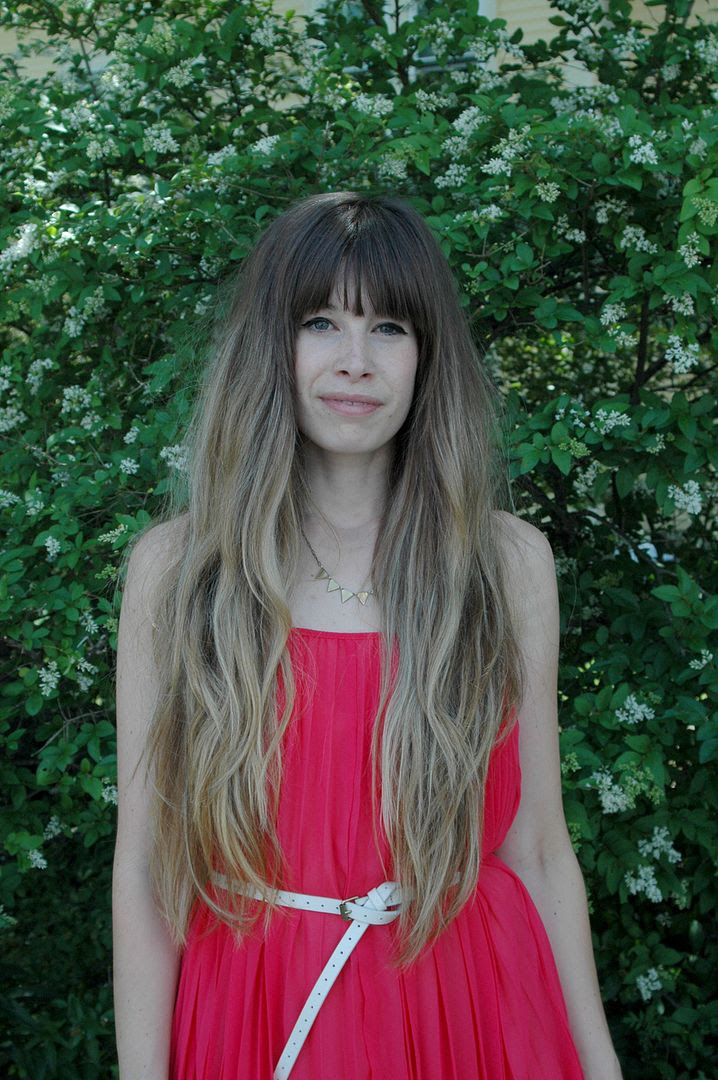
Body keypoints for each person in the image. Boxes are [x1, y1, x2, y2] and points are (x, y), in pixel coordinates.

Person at [112, 191, 623, 1079]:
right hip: (256, 1010)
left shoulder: (505, 563)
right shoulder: (180, 570)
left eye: (389, 327)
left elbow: (539, 851)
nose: (355, 360)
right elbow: (148, 871)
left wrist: (600, 1065)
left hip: (466, 1012)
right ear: (271, 346)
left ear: (428, 356)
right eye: (321, 323)